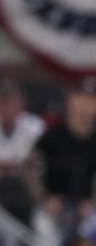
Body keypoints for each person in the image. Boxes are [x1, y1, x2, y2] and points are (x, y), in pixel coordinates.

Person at [29, 78, 96, 246]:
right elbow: (30, 169)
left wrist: (95, 203)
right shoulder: (51, 136)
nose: (86, 106)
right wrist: (45, 197)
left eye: (92, 101)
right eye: (81, 99)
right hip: (53, 205)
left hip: (87, 207)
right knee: (44, 230)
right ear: (70, 101)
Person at [0, 78, 44, 224]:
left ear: (20, 103)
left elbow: (37, 163)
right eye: (3, 102)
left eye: (11, 101)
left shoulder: (34, 125)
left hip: (26, 187)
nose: (6, 107)